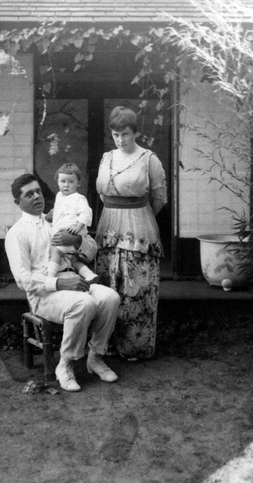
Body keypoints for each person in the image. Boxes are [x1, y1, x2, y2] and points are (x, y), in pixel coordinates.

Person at [5, 173, 120, 392]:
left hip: (73, 280)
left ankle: (95, 357)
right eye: (29, 194)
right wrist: (59, 284)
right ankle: (65, 364)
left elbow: (91, 251)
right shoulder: (17, 233)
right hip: (45, 295)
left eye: (38, 191)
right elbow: (23, 279)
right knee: (83, 304)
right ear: (18, 202)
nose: (37, 196)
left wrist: (77, 240)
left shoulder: (58, 220)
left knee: (110, 297)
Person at [95, 105, 167, 361]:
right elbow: (103, 194)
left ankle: (135, 347)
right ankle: (106, 345)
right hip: (109, 227)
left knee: (136, 290)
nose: (120, 139)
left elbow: (159, 197)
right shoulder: (106, 157)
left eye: (125, 134)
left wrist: (140, 218)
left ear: (135, 132)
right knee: (109, 287)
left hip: (138, 230)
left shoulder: (149, 159)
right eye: (116, 134)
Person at [47, 163, 99, 284]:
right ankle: (89, 274)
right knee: (72, 259)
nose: (66, 185)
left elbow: (86, 213)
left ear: (78, 183)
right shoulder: (59, 196)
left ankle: (50, 277)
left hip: (72, 232)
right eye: (63, 181)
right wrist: (53, 212)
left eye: (71, 182)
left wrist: (78, 226)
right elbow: (63, 209)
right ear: (57, 182)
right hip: (63, 232)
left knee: (56, 252)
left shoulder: (78, 198)